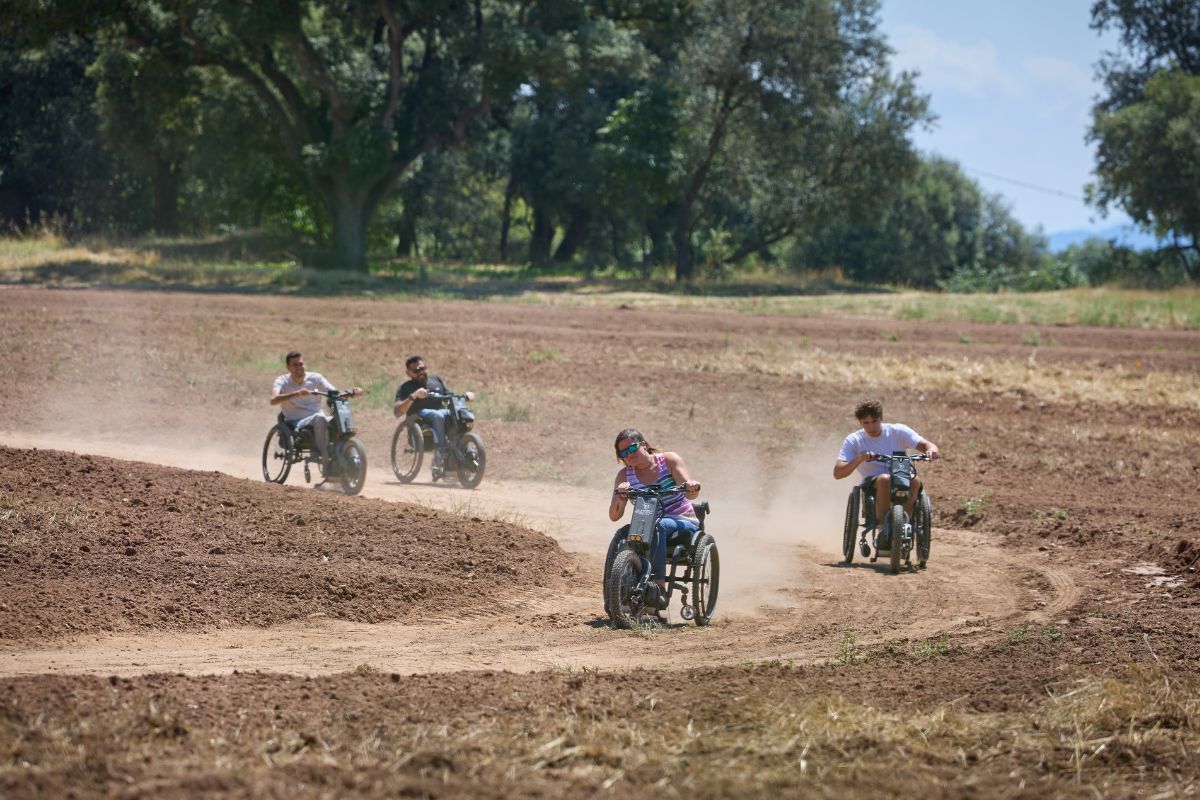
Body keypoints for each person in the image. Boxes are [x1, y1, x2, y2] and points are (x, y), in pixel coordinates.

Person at [609, 428, 701, 610]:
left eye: (632, 448)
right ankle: (615, 592)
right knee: (622, 533)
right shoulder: (624, 476)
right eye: (623, 453)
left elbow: (690, 494)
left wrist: (691, 486)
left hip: (681, 520)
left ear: (643, 445)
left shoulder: (669, 461)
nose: (629, 455)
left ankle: (658, 590)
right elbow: (614, 516)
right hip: (647, 523)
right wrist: (622, 496)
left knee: (657, 527)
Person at [833, 399, 939, 533]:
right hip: (872, 483)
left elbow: (927, 445)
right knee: (885, 479)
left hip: (900, 475)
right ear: (859, 422)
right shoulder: (854, 440)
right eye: (866, 423)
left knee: (915, 480)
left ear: (881, 418)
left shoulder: (898, 431)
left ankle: (903, 526)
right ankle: (883, 528)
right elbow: (838, 473)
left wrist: (931, 451)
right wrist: (859, 459)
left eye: (874, 421)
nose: (871, 427)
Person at [270, 351, 362, 477]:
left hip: (317, 416)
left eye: (301, 364)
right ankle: (324, 458)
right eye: (295, 365)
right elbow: (273, 400)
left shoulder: (316, 378)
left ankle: (348, 459)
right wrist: (296, 394)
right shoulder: (282, 381)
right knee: (320, 419)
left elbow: (334, 393)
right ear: (288, 367)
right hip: (295, 421)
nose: (299, 367)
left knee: (340, 422)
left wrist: (351, 393)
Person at [393, 355, 474, 478]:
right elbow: (397, 411)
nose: (420, 372)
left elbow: (449, 395)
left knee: (457, 413)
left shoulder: (435, 379)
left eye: (422, 368)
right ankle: (440, 454)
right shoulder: (405, 387)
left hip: (442, 414)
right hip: (420, 419)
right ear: (408, 373)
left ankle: (464, 449)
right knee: (437, 415)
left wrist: (464, 397)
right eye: (416, 371)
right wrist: (414, 396)